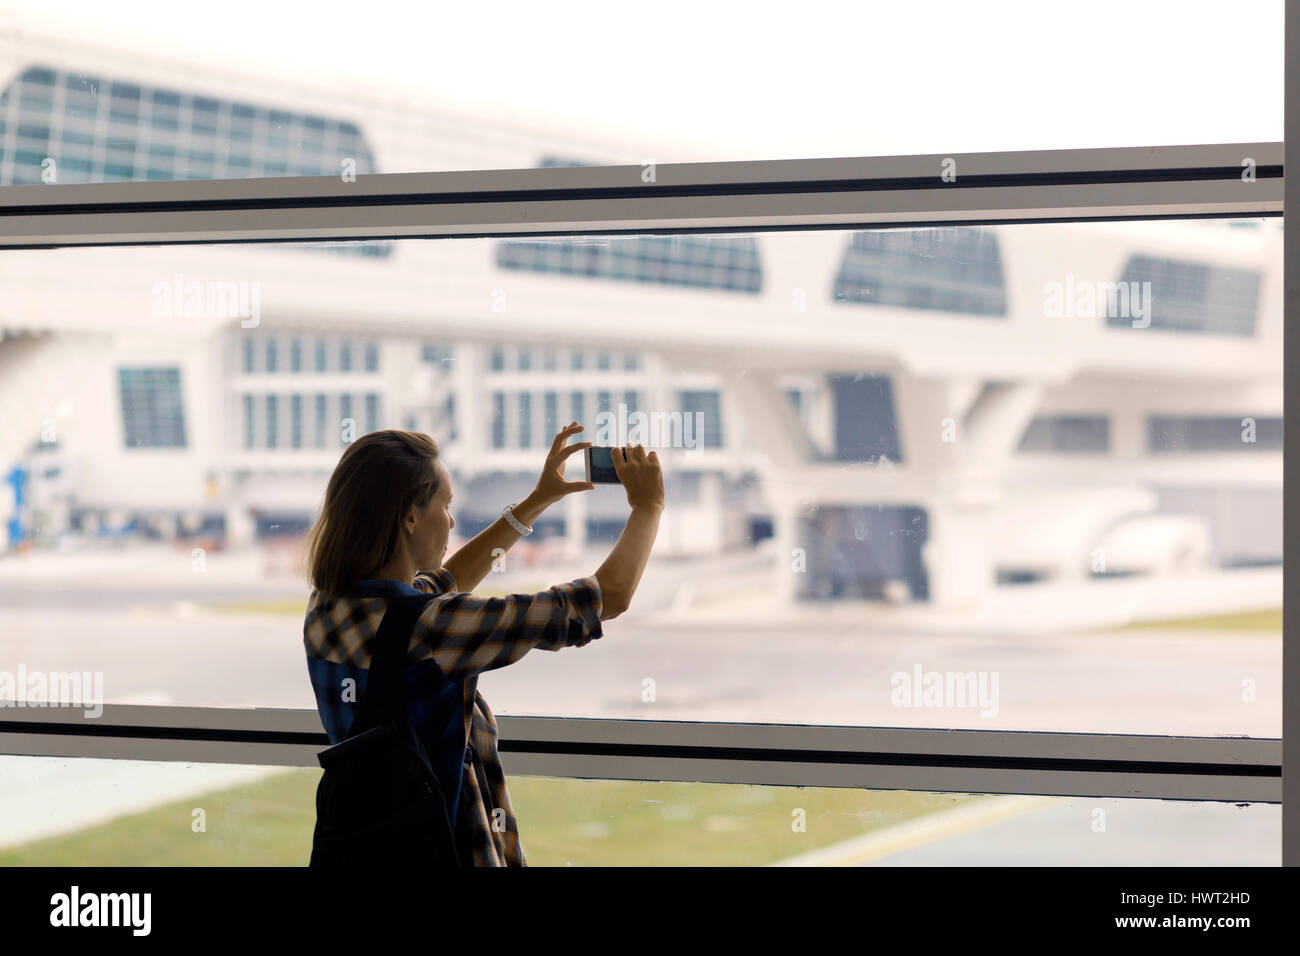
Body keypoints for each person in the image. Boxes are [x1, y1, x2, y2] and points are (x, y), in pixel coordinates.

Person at [302, 423, 663, 866]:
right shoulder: (429, 627)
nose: (452, 520)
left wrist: (538, 500)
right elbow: (608, 597)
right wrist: (648, 506)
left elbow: (444, 585)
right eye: (445, 505)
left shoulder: (329, 606)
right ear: (410, 518)